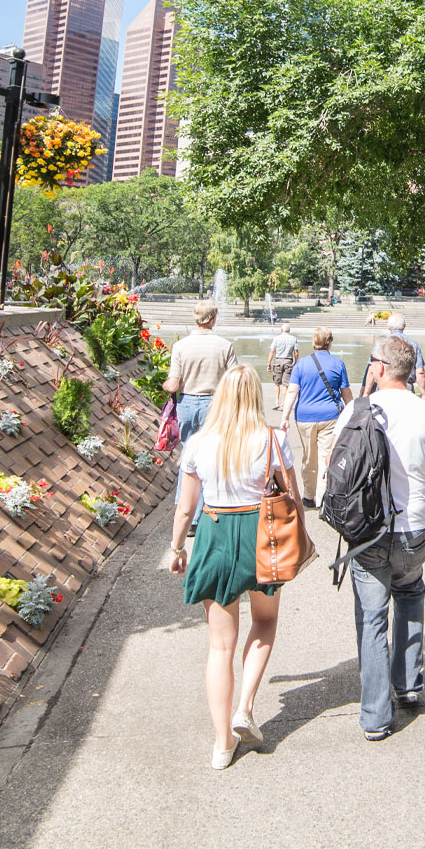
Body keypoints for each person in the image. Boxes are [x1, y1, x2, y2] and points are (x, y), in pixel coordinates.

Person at [167, 365, 298, 769]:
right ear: (255, 398)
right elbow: (291, 494)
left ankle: (222, 742)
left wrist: (176, 548)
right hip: (261, 534)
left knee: (219, 646)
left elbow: (186, 506)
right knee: (264, 621)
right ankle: (244, 707)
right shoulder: (272, 439)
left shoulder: (200, 443)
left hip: (215, 532)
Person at [336, 334, 425, 741]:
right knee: (409, 593)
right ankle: (408, 685)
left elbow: (338, 474)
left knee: (371, 620)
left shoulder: (357, 410)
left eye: (372, 361)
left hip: (368, 532)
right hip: (415, 526)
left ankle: (375, 717)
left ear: (381, 368)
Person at [281, 327, 351, 506]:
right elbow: (346, 394)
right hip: (330, 417)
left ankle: (309, 495)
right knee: (325, 456)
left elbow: (292, 392)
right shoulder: (338, 364)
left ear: (314, 342)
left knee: (308, 456)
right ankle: (322, 498)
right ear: (329, 342)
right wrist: (352, 413)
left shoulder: (301, 364)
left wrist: (285, 417)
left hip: (305, 417)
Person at [163, 300, 238, 444]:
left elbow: (172, 386)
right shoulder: (225, 346)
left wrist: (164, 385)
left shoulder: (180, 346)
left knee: (187, 455)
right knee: (212, 453)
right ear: (214, 319)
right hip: (214, 403)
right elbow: (236, 380)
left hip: (187, 405)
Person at [360, 313, 425, 397]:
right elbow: (420, 372)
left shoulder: (381, 343)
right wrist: (423, 395)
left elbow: (372, 370)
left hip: (384, 387)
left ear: (388, 326)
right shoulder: (413, 344)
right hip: (406, 387)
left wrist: (366, 393)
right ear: (404, 326)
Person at [266, 321, 298, 396]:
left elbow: (272, 351)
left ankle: (277, 402)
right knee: (286, 385)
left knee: (277, 383)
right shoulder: (293, 339)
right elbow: (296, 352)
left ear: (281, 330)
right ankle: (283, 403)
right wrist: (296, 363)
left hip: (278, 361)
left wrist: (269, 364)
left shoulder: (276, 338)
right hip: (288, 361)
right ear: (289, 331)